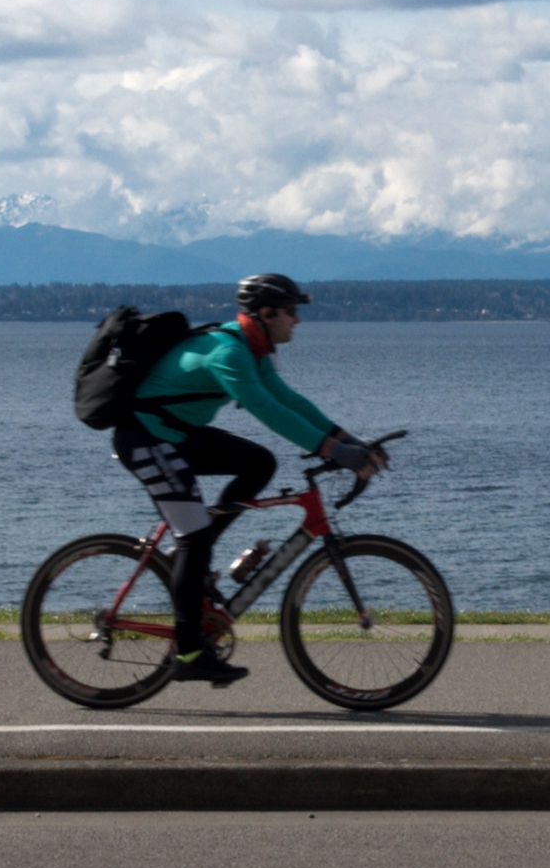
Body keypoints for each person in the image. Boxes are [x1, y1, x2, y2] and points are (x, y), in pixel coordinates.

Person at [113, 271, 382, 688]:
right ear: (267, 312)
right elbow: (266, 410)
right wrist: (336, 453)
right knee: (195, 536)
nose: (298, 320)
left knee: (259, 463)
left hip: (180, 435)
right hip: (147, 438)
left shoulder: (254, 351)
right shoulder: (228, 353)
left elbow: (290, 401)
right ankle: (189, 653)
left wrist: (350, 441)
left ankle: (194, 565)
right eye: (291, 312)